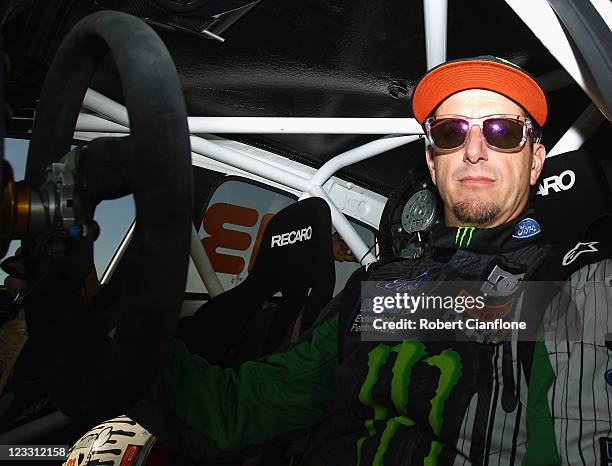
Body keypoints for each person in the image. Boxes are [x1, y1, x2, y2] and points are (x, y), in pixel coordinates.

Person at [9, 57, 612, 465]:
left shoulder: (575, 282)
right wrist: (106, 324)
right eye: (451, 132)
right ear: (432, 160)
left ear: (534, 161)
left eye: (503, 132)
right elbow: (235, 411)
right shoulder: (374, 291)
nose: (475, 149)